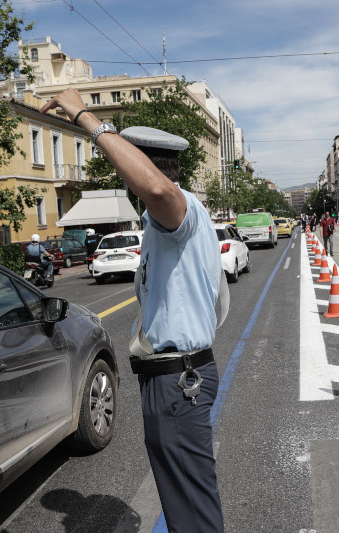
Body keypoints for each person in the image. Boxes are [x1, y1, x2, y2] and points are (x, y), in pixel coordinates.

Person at [41, 90, 225, 532]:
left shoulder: (176, 207)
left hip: (177, 380)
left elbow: (158, 187)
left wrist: (86, 117)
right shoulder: (160, 222)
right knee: (185, 502)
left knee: (193, 511)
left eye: (123, 162)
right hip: (172, 377)